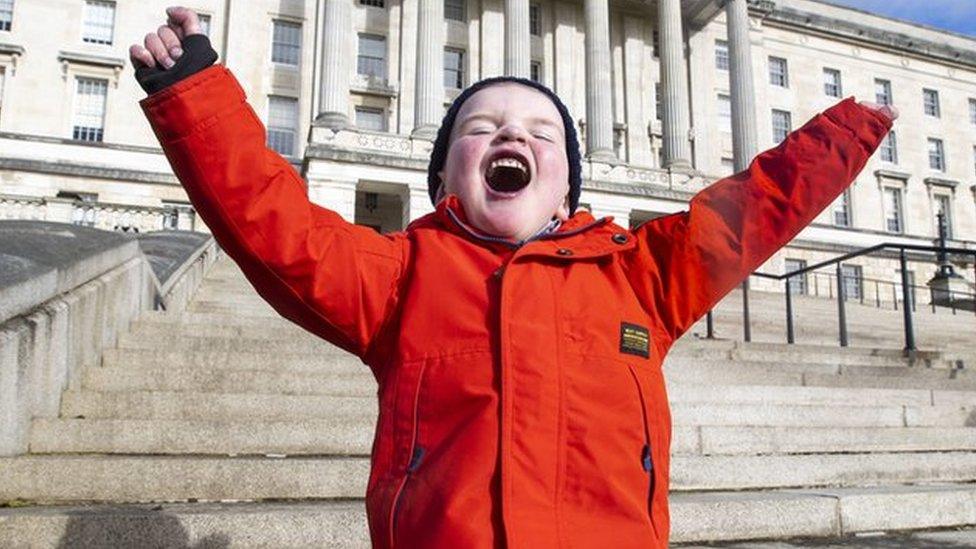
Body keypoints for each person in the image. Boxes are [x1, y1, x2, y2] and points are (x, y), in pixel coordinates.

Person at [131, 7, 898, 548]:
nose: (509, 134)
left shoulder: (640, 276)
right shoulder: (400, 275)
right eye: (480, 127)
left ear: (567, 189)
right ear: (443, 183)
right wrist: (192, 90)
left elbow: (750, 212)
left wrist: (849, 126)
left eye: (540, 132)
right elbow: (275, 225)